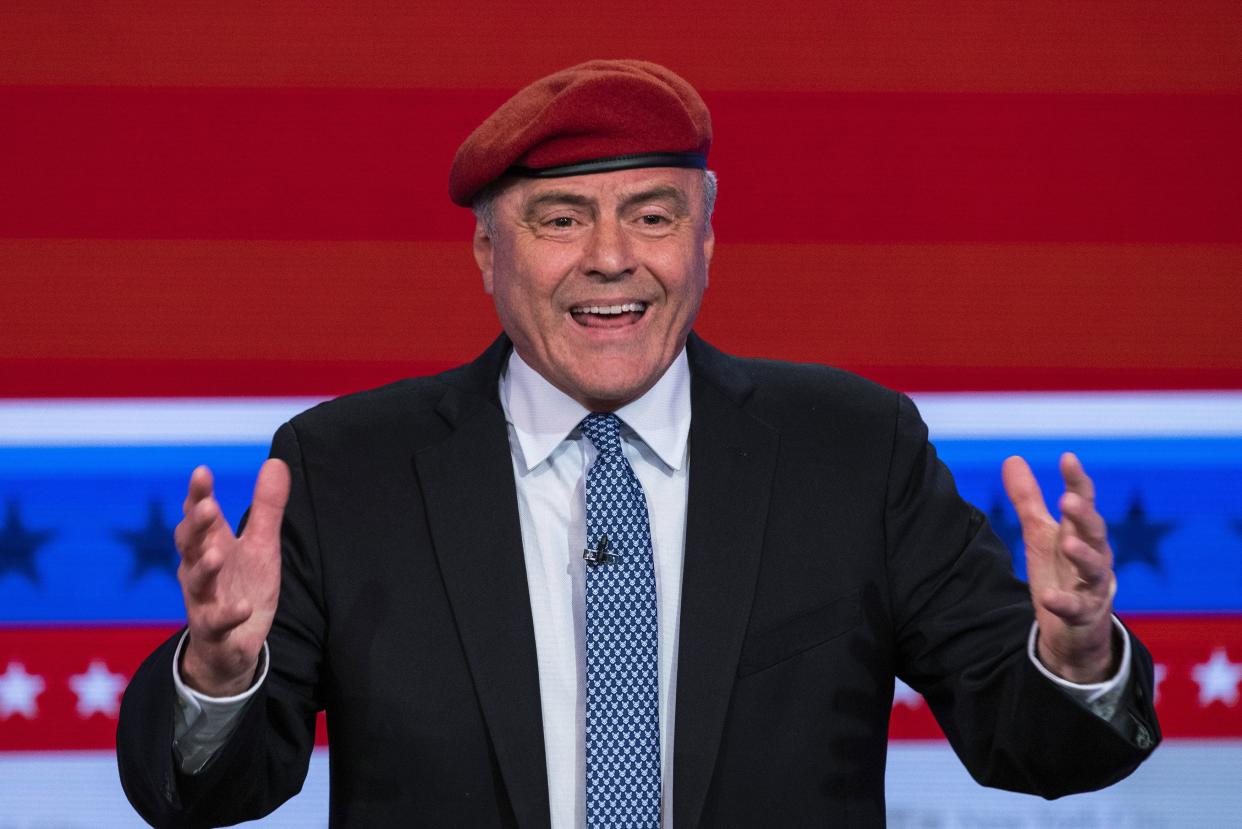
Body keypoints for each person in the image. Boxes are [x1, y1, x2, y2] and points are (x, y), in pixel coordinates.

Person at [117, 60, 1159, 828]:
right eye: (561, 220)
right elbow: (208, 788)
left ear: (705, 239)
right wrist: (217, 674)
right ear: (486, 250)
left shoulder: (852, 450)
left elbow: (1039, 746)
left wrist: (1074, 660)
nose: (612, 260)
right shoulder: (347, 469)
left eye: (653, 216)